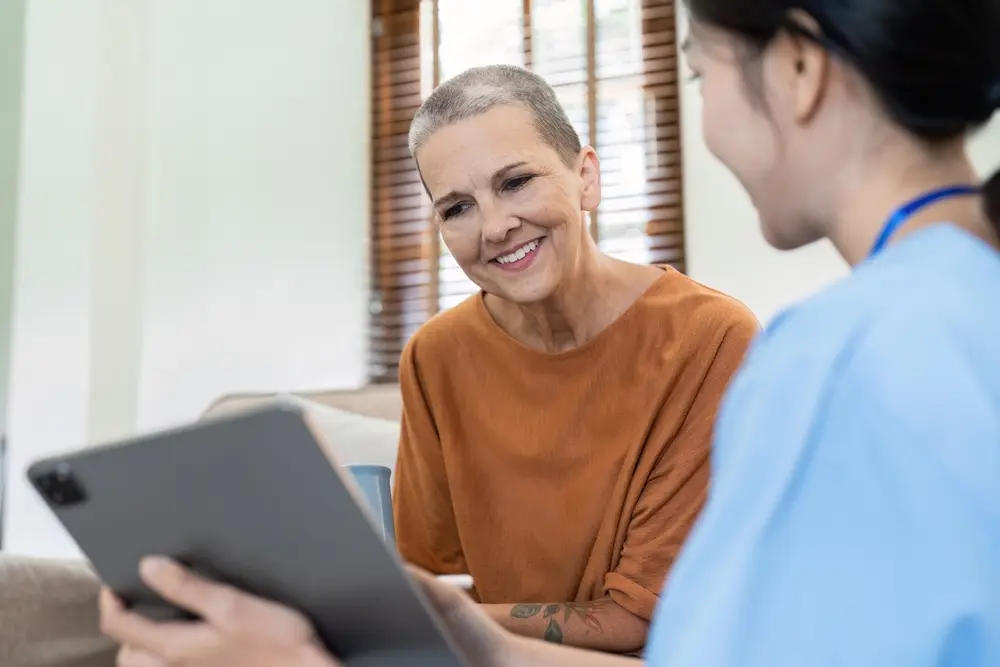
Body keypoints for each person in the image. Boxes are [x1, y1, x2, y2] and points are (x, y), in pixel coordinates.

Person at [98, 0, 1000, 664]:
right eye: (456, 205)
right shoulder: (937, 314)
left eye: (698, 72)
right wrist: (437, 626)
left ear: (798, 70)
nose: (494, 226)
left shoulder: (825, 360)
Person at [387, 64, 756, 653]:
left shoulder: (710, 338)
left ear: (586, 177)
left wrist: (447, 614)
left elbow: (641, 617)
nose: (496, 226)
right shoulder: (434, 358)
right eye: (457, 208)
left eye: (516, 182)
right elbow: (432, 583)